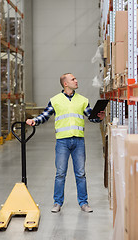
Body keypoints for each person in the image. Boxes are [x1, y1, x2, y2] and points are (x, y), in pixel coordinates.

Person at [26, 73, 105, 213]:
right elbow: (45, 115)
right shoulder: (55, 100)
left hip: (79, 141)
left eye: (75, 78)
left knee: (80, 173)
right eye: (73, 79)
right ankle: (57, 203)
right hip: (62, 142)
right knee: (60, 173)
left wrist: (99, 118)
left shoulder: (83, 100)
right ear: (65, 84)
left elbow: (91, 117)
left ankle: (84, 203)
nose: (76, 80)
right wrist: (34, 121)